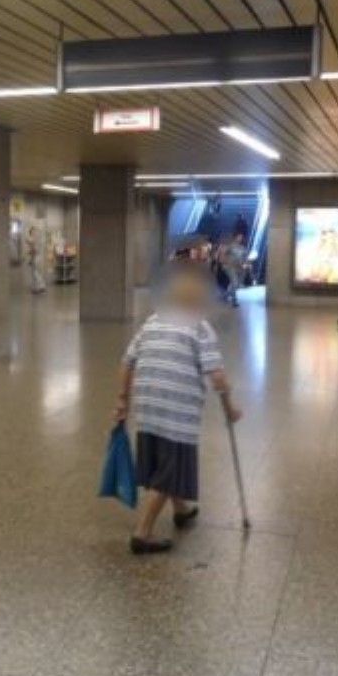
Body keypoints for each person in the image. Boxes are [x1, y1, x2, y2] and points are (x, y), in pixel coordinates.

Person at [115, 265, 242, 555]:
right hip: (178, 412)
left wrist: (122, 400)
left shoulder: (152, 322)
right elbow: (218, 377)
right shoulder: (199, 327)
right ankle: (143, 532)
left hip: (148, 407)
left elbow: (127, 361)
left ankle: (181, 509)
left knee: (163, 459)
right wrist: (230, 408)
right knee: (169, 471)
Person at [222, 234, 247, 307]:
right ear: (235, 238)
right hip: (229, 266)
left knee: (236, 284)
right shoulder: (230, 246)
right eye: (238, 237)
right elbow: (223, 253)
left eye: (241, 237)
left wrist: (245, 264)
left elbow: (244, 258)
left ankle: (226, 294)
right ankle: (234, 300)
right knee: (234, 283)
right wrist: (224, 261)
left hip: (238, 267)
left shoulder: (243, 248)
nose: (240, 239)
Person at [26, 227, 47, 295]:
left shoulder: (34, 240)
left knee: (36, 273)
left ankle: (40, 288)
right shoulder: (39, 240)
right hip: (39, 257)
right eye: (33, 232)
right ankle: (38, 287)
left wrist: (30, 253)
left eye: (34, 232)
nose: (34, 233)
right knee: (37, 273)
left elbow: (33, 250)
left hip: (36, 258)